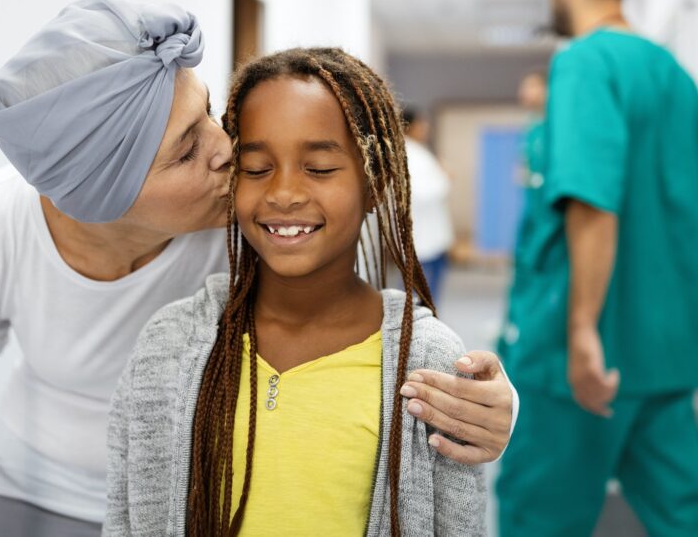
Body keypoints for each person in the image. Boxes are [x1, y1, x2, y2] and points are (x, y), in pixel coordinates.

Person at [0, 0, 516, 535]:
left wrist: (488, 399)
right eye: (186, 152)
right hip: (36, 500)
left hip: (196, 505)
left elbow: (361, 339)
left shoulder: (252, 226)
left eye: (207, 113)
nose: (228, 150)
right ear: (104, 195)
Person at [106, 48, 487, 536]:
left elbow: (457, 523)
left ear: (376, 184)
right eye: (257, 168)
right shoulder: (169, 344)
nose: (283, 193)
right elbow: (124, 516)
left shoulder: (425, 362)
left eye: (320, 169)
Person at [496, 0, 698, 536]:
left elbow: (592, 202)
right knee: (692, 516)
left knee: (538, 513)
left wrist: (581, 330)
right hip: (663, 345)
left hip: (581, 351)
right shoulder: (676, 79)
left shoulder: (583, 64)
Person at [402, 106, 455, 301]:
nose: (426, 128)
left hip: (429, 236)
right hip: (422, 237)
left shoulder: (419, 152)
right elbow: (421, 193)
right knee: (419, 292)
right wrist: (445, 177)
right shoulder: (409, 155)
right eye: (422, 124)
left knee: (424, 289)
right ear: (411, 126)